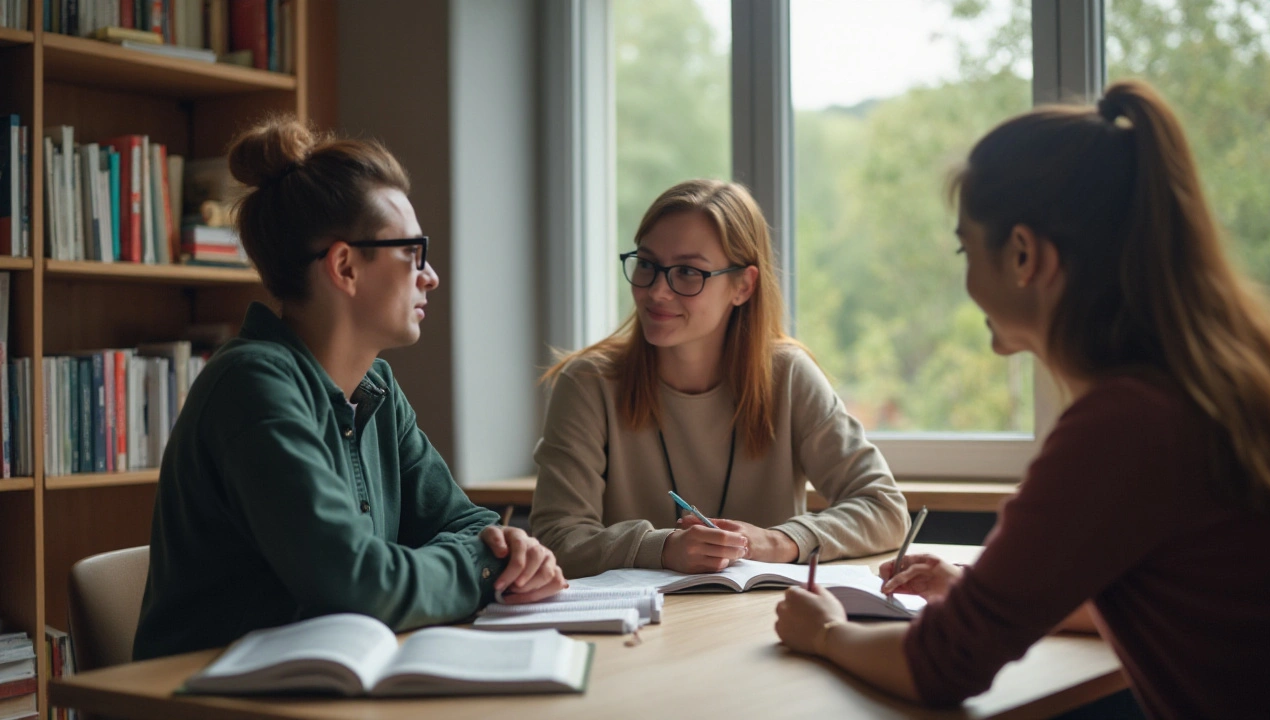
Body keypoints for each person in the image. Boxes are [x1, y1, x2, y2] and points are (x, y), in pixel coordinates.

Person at [775, 80, 1270, 718]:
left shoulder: (1125, 424)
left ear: (1023, 254)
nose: (964, 275)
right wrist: (981, 595)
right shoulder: (1218, 382)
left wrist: (823, 632)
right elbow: (1184, 594)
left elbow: (939, 666)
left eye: (965, 247)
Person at [134, 118, 566, 660]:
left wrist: (504, 549)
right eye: (412, 252)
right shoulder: (252, 385)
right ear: (344, 266)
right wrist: (487, 564)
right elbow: (358, 586)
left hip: (324, 684)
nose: (429, 275)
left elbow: (465, 521)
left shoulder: (374, 386)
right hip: (206, 700)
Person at [530, 179, 909, 579]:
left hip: (765, 622)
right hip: (636, 627)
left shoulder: (789, 376)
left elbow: (884, 508)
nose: (657, 291)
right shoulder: (589, 383)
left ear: (743, 286)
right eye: (646, 264)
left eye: (688, 272)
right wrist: (663, 548)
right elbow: (557, 537)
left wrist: (779, 542)